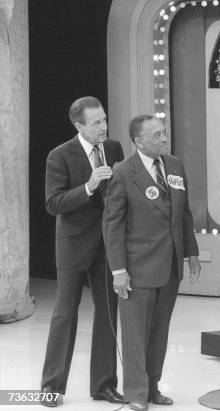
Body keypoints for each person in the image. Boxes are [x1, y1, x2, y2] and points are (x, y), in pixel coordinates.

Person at [104, 114, 201, 411]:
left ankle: (153, 387)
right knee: (135, 334)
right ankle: (135, 393)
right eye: (157, 135)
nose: (163, 138)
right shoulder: (123, 172)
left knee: (159, 332)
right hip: (137, 268)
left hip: (170, 265)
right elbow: (113, 225)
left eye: (164, 133)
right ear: (138, 141)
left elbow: (184, 214)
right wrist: (118, 269)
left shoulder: (174, 165)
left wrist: (191, 252)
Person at [41, 96, 125, 407]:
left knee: (108, 313)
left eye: (104, 119)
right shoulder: (59, 155)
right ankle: (51, 388)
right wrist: (89, 186)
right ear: (79, 126)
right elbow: (53, 203)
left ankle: (103, 386)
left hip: (106, 244)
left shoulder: (113, 148)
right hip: (73, 245)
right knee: (65, 314)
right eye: (96, 122)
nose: (104, 126)